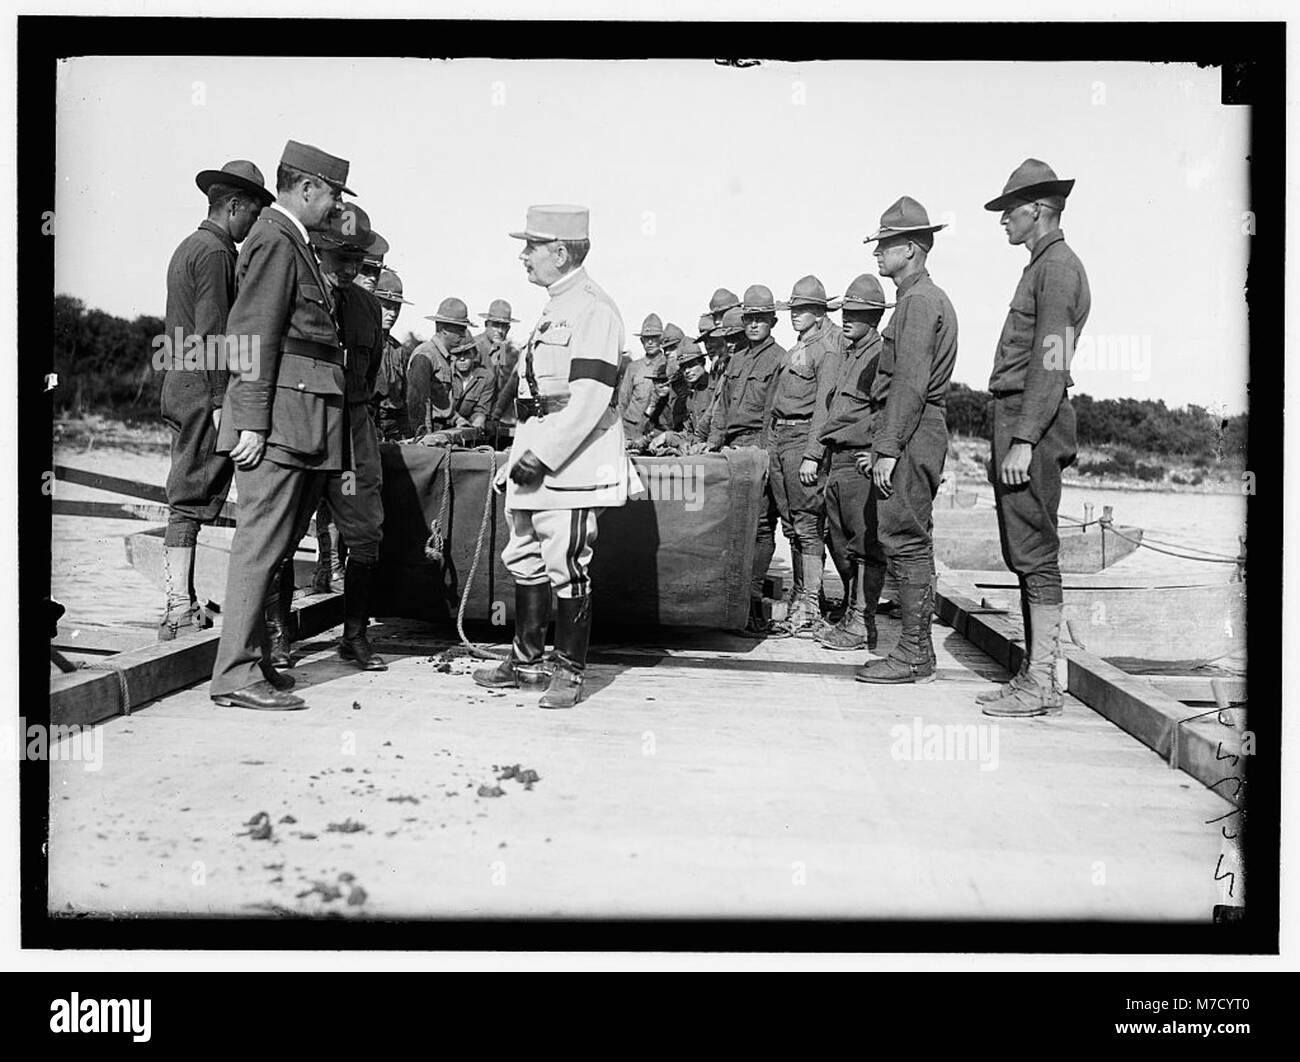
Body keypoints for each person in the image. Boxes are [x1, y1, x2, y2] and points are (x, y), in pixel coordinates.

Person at [473, 204, 641, 708]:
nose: (524, 256)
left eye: (532, 247)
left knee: (567, 563)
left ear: (561, 253)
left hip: (573, 462)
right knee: (525, 557)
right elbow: (538, 398)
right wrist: (520, 455)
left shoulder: (593, 308)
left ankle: (568, 672)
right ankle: (526, 661)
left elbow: (588, 399)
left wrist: (540, 456)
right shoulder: (556, 305)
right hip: (538, 454)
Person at [208, 139, 353, 711]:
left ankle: (254, 662)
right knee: (258, 546)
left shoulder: (292, 241)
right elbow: (252, 335)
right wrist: (247, 421)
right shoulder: (275, 237)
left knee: (271, 548)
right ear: (308, 187)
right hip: (277, 422)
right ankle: (235, 674)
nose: (336, 206)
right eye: (333, 194)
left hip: (301, 419)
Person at [979, 160, 1090, 718]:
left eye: (1009, 212)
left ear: (1039, 210)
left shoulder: (1060, 269)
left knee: (1035, 553)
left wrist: (1024, 438)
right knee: (1023, 551)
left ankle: (1041, 682)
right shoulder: (1042, 267)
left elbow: (1052, 360)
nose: (1003, 221)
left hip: (1032, 421)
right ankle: (1034, 676)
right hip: (1019, 417)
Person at [158, 159, 274, 640]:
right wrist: (224, 402)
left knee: (187, 487)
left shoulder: (191, 245)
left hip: (181, 383)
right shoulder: (216, 253)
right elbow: (214, 335)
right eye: (253, 212)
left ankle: (177, 604)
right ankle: (178, 606)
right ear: (234, 206)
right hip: (203, 389)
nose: (253, 225)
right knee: (191, 495)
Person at [282, 204, 391, 671]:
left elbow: (369, 371)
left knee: (364, 532)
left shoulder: (369, 307)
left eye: (357, 262)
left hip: (352, 432)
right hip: (305, 426)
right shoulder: (297, 296)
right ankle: (277, 634)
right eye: (338, 258)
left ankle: (355, 636)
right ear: (318, 251)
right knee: (283, 530)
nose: (348, 270)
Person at [856, 196, 958, 685]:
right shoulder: (920, 299)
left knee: (906, 539)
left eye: (887, 244)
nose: (877, 253)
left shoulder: (918, 302)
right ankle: (919, 654)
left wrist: (888, 448)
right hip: (917, 428)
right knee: (912, 536)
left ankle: (913, 655)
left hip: (913, 431)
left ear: (913, 249)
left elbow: (909, 383)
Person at [815, 274, 893, 652]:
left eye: (858, 313)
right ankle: (852, 612)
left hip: (859, 461)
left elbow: (888, 409)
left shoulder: (880, 356)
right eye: (846, 311)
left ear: (875, 318)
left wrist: (876, 450)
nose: (848, 318)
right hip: (838, 458)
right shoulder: (849, 355)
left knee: (864, 547)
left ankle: (862, 623)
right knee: (840, 541)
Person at [770, 275, 847, 637]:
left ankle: (811, 603)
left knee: (807, 526)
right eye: (794, 309)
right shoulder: (796, 348)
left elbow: (823, 408)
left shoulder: (826, 350)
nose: (795, 315)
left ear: (820, 313)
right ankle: (801, 599)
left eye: (803, 310)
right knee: (792, 527)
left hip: (803, 438)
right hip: (782, 438)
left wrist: (813, 454)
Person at [711, 284, 787, 637]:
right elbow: (723, 409)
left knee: (758, 527)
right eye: (750, 319)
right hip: (730, 450)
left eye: (761, 319)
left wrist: (764, 455)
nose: (755, 325)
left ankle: (753, 602)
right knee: (730, 524)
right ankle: (730, 603)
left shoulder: (779, 359)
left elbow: (773, 412)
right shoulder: (736, 360)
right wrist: (714, 445)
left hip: (757, 449)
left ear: (772, 321)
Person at [406, 296, 473, 436]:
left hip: (443, 430)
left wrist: (457, 419)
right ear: (443, 329)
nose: (463, 335)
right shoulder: (425, 355)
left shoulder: (446, 359)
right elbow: (417, 403)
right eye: (459, 329)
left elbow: (442, 403)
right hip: (430, 433)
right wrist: (423, 437)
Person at [423, 332, 496, 444]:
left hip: (466, 430)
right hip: (440, 426)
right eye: (457, 354)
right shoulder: (445, 374)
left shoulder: (486, 378)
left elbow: (481, 408)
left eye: (466, 353)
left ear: (474, 354)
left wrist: (479, 419)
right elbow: (439, 406)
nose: (462, 358)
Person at [371, 268, 415, 442]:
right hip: (367, 423)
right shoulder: (361, 342)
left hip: (393, 429)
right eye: (387, 307)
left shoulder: (399, 351)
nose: (393, 313)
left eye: (397, 308)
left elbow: (403, 402)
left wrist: (408, 436)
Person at [478, 298, 522, 444]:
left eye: (504, 327)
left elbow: (499, 383)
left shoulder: (500, 348)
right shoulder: (474, 348)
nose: (500, 331)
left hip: (489, 418)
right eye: (496, 325)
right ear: (486, 325)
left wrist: (494, 416)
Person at [617, 313, 666, 442]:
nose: (650, 342)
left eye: (654, 338)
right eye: (646, 338)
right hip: (631, 428)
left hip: (656, 430)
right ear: (642, 341)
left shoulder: (668, 366)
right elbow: (623, 401)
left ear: (661, 339)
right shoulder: (633, 367)